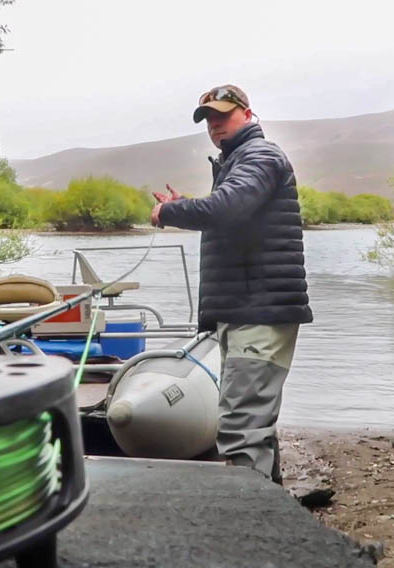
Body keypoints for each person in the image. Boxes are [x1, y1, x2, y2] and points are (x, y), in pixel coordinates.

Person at [151, 84, 312, 483]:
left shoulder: (260, 156)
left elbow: (226, 208)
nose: (215, 124)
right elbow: (235, 213)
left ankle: (250, 528)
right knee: (253, 421)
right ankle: (272, 511)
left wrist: (171, 211)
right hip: (247, 308)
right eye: (208, 118)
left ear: (248, 113)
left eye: (223, 115)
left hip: (259, 309)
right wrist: (191, 202)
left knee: (241, 428)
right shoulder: (241, 162)